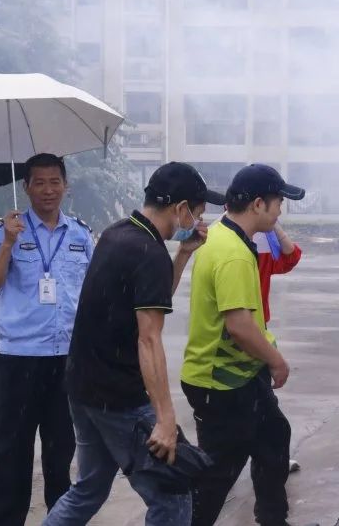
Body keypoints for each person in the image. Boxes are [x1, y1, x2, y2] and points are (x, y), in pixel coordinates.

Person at [43, 162, 224, 525]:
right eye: (198, 212)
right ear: (181, 209)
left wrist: (183, 253)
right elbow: (149, 338)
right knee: (171, 496)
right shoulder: (148, 252)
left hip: (84, 387)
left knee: (88, 489)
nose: (198, 220)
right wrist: (165, 418)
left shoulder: (119, 234)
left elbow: (150, 299)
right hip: (118, 396)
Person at [181, 164, 315, 526]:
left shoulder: (223, 235)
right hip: (221, 380)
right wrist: (277, 361)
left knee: (273, 437)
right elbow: (239, 325)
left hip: (239, 373)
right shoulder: (234, 253)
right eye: (278, 202)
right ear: (258, 204)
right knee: (218, 472)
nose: (280, 210)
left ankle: (273, 519)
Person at [0, 153, 94, 526]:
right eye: (39, 183)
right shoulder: (6, 231)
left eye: (54, 181)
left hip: (66, 360)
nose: (48, 190)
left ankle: (60, 520)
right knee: (12, 454)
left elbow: (92, 294)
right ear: (25, 187)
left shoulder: (80, 234)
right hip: (19, 359)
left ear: (65, 186)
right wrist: (7, 244)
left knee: (61, 455)